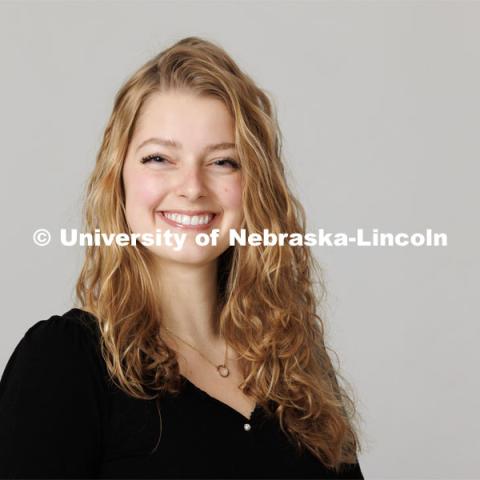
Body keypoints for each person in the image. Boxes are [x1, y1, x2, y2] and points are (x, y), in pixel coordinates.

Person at [0, 36, 364, 479]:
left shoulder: (297, 365)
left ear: (255, 186)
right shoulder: (67, 363)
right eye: (159, 158)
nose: (192, 187)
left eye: (223, 162)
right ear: (118, 179)